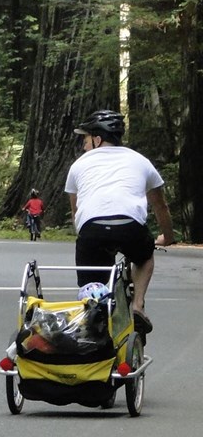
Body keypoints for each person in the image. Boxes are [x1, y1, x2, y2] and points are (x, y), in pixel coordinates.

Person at [64, 109, 175, 335]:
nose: (84, 146)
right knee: (144, 256)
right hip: (130, 228)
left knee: (92, 290)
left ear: (97, 139)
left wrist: (88, 238)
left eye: (85, 140)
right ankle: (137, 306)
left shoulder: (78, 165)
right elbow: (160, 206)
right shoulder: (140, 161)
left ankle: (94, 323)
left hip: (92, 229)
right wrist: (168, 237)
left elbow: (77, 212)